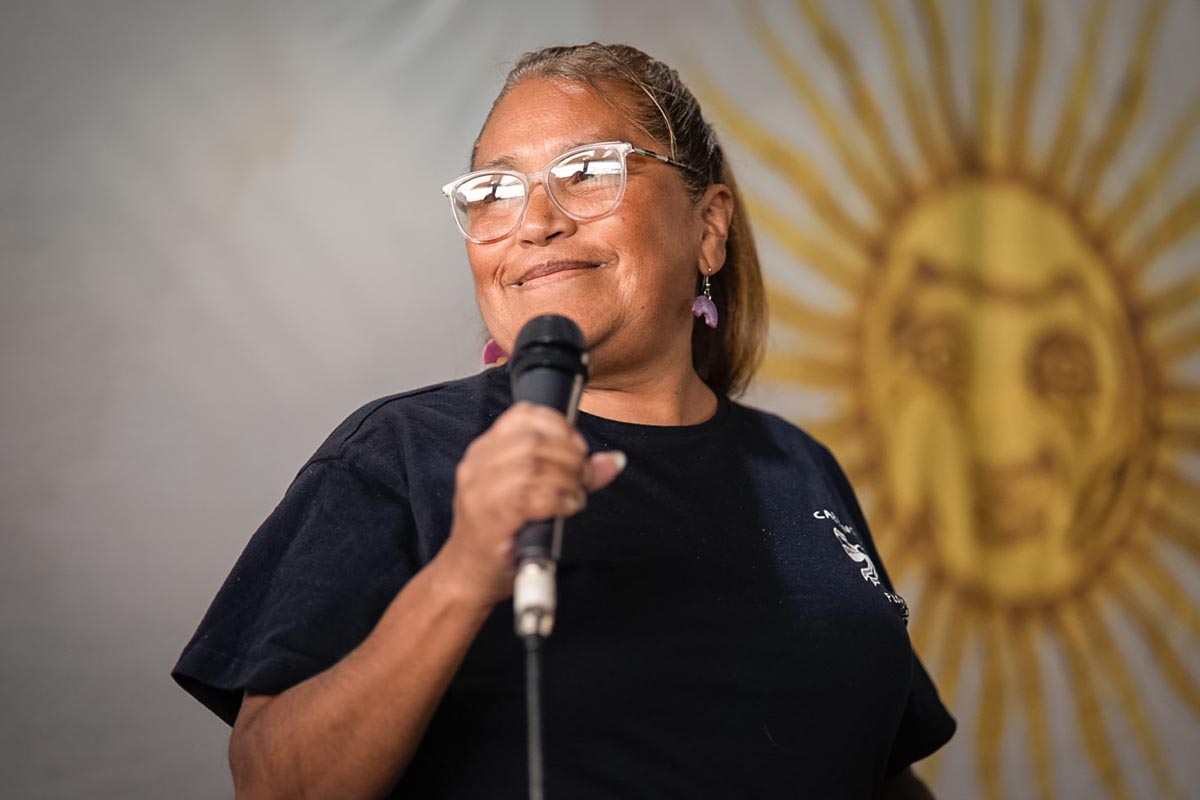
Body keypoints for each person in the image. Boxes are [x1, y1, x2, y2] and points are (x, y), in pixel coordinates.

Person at [173, 42, 955, 799]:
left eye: (587, 174)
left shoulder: (799, 468)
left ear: (707, 227)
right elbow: (273, 785)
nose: (535, 221)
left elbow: (877, 767)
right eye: (495, 192)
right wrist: (463, 573)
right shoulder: (400, 457)